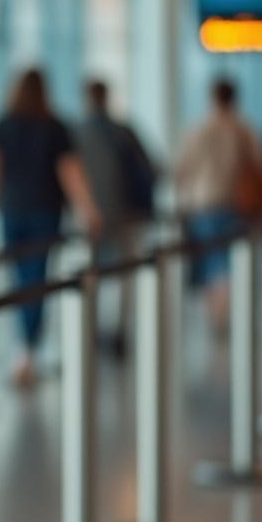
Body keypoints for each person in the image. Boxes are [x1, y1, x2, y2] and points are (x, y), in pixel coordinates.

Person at [0, 69, 101, 388]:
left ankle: (24, 350)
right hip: (45, 212)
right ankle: (27, 351)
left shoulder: (3, 124)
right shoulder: (55, 127)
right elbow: (70, 172)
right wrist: (88, 211)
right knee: (36, 278)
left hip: (12, 210)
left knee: (22, 278)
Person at [175, 77, 262, 333]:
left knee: (210, 263)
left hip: (204, 205)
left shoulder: (200, 130)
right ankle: (226, 313)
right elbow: (257, 166)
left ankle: (216, 316)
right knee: (229, 263)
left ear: (212, 98)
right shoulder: (244, 129)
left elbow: (182, 169)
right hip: (237, 205)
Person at [75, 78, 155, 356]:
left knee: (89, 274)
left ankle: (90, 330)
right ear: (106, 98)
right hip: (125, 215)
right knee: (124, 274)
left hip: (88, 217)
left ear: (87, 99)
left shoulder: (76, 133)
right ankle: (120, 330)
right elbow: (149, 168)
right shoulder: (124, 131)